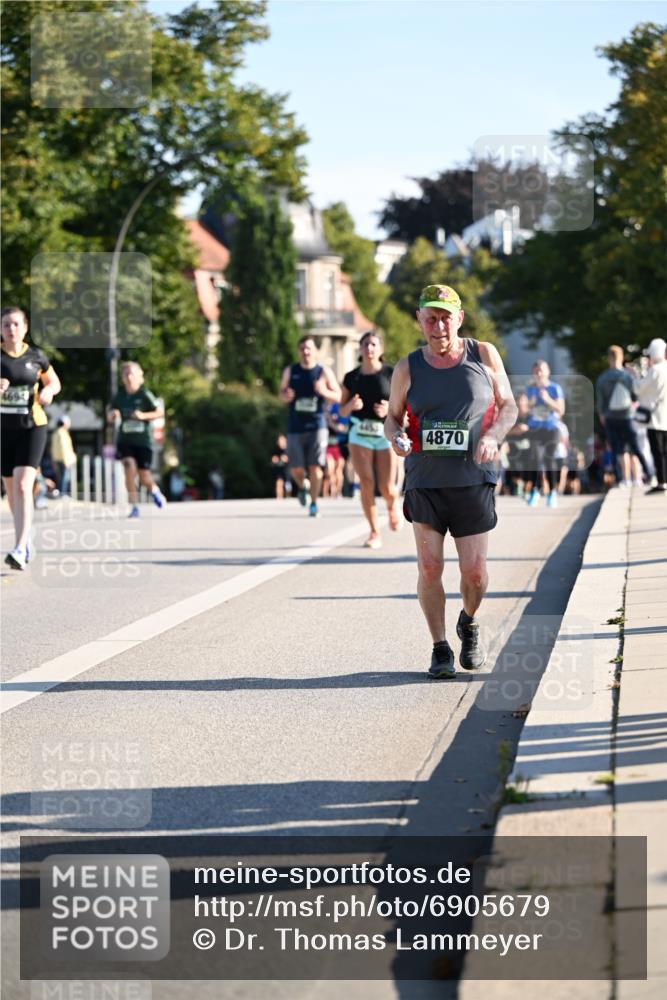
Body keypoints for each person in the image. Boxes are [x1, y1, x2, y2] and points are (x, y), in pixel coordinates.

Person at [385, 284, 517, 678]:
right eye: (431, 318)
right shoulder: (408, 367)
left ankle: (469, 621)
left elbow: (508, 405)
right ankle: (440, 647)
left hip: (474, 477)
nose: (439, 326)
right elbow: (392, 417)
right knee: (429, 566)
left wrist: (494, 436)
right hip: (425, 479)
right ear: (420, 320)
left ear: (459, 318)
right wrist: (395, 436)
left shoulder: (483, 354)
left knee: (474, 572)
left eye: (446, 317)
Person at [1, 306, 62, 569]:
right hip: (4, 430)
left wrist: (49, 392)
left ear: (25, 327)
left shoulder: (37, 357)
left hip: (32, 426)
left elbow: (54, 382)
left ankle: (19, 545)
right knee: (11, 489)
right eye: (5, 325)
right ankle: (25, 539)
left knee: (24, 485)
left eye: (15, 324)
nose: (11, 329)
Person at [340, 331, 400, 548]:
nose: (369, 348)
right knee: (366, 482)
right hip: (359, 434)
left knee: (387, 488)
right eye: (365, 344)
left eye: (373, 344)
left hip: (384, 433)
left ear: (381, 349)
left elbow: (404, 405)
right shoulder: (351, 377)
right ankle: (374, 532)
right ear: (360, 348)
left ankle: (393, 506)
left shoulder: (391, 373)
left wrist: (389, 410)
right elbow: (342, 411)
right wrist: (350, 406)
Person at [279, 335, 341, 518]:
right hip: (295, 426)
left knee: (315, 467)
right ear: (299, 351)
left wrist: (324, 391)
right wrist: (285, 396)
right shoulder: (291, 371)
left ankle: (314, 504)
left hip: (317, 425)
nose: (305, 352)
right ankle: (302, 485)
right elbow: (281, 393)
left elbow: (338, 396)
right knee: (296, 468)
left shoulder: (323, 372)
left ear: (315, 351)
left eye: (309, 348)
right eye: (302, 348)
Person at [108, 361, 166, 518]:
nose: (128, 376)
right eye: (125, 373)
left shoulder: (145, 394)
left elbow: (160, 412)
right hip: (125, 440)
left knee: (144, 476)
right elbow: (110, 413)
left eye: (131, 373)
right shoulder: (119, 395)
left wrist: (143, 416)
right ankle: (134, 506)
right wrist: (113, 415)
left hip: (143, 442)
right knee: (129, 469)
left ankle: (154, 490)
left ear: (139, 376)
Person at [596, 345, 651, 488]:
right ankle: (638, 477)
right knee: (634, 448)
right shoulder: (627, 376)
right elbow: (636, 395)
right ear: (621, 357)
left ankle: (625, 479)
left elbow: (601, 401)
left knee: (619, 449)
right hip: (628, 415)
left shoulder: (603, 378)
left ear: (608, 358)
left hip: (611, 417)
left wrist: (602, 415)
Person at [524, 360, 565, 508]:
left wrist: (548, 400)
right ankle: (535, 491)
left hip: (551, 428)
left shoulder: (555, 388)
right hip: (535, 428)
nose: (539, 373)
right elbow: (523, 411)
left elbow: (561, 410)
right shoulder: (529, 389)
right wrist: (530, 404)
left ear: (547, 372)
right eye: (536, 371)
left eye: (541, 370)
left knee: (549, 459)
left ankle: (552, 492)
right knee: (534, 458)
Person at [637, 338, 667, 494]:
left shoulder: (654, 370)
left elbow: (639, 389)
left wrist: (635, 376)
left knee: (658, 450)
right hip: (665, 415)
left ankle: (662, 481)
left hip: (655, 417)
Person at [50, 414, 76, 496]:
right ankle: (63, 494)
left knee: (60, 478)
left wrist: (53, 460)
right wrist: (66, 461)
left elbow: (53, 449)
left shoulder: (55, 433)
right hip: (65, 460)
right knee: (65, 478)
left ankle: (61, 493)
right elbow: (64, 448)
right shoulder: (63, 433)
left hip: (57, 459)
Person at [270, 434, 291, 499]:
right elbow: (272, 459)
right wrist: (274, 459)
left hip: (287, 470)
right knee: (279, 482)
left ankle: (288, 497)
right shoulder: (275, 449)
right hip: (279, 470)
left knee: (288, 485)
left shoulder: (288, 449)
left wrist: (286, 459)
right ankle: (279, 498)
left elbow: (292, 459)